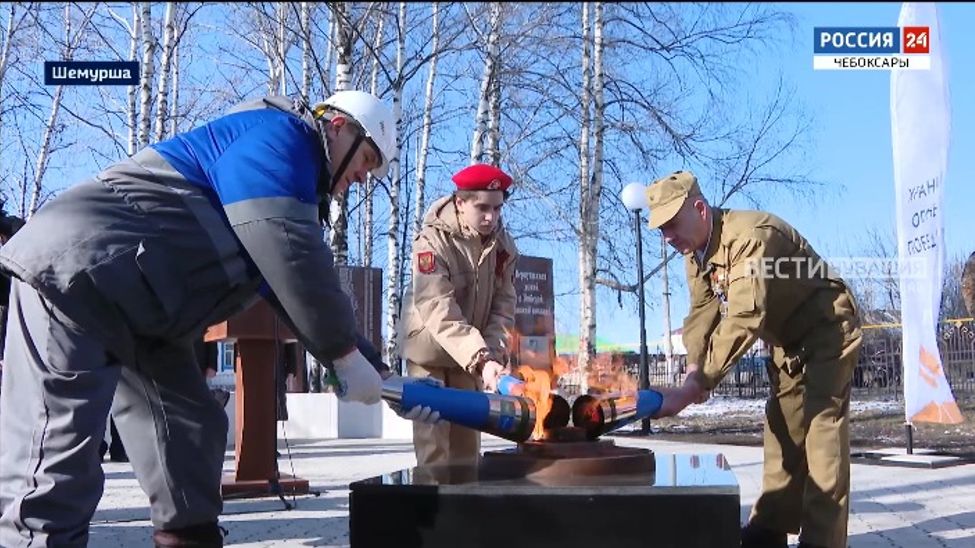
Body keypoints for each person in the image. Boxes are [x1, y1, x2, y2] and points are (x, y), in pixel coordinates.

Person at [0, 90, 436, 548]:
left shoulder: (288, 179)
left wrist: (383, 375)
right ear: (337, 126)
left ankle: (188, 539)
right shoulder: (279, 138)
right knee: (54, 467)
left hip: (142, 312)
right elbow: (293, 259)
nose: (365, 176)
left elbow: (287, 288)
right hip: (76, 277)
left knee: (189, 432)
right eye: (367, 158)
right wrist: (344, 356)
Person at [645, 171, 862, 548]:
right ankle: (770, 530)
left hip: (826, 328)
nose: (667, 237)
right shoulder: (695, 252)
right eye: (661, 230)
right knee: (781, 429)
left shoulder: (750, 237)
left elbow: (745, 316)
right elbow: (702, 313)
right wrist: (694, 369)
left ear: (699, 208)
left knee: (820, 433)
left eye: (672, 225)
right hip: (787, 341)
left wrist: (697, 385)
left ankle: (821, 541)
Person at [399, 163, 519, 466]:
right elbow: (437, 306)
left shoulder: (503, 246)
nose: (491, 217)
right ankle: (433, 513)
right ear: (460, 202)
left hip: (471, 360)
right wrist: (481, 357)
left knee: (467, 456)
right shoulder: (431, 240)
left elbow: (503, 307)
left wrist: (491, 357)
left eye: (497, 208)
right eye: (482, 207)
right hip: (429, 356)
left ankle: (466, 512)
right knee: (435, 455)